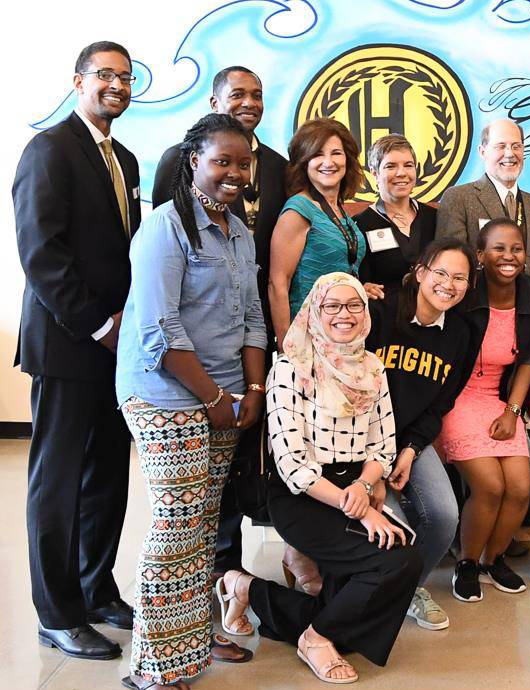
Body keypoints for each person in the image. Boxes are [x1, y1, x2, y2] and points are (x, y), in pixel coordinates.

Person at [116, 113, 267, 689]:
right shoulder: (164, 228)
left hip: (227, 393)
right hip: (165, 392)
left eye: (243, 162)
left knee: (204, 526)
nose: (234, 172)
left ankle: (192, 642)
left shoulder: (240, 231)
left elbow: (253, 318)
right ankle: (153, 669)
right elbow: (160, 329)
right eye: (222, 160)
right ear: (193, 163)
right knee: (175, 526)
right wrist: (212, 399)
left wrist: (250, 390)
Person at [219, 272, 421, 683]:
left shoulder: (372, 367)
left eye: (354, 306)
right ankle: (315, 637)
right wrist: (359, 510)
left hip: (356, 485)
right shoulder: (292, 368)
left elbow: (383, 445)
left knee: (350, 619)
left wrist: (365, 485)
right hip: (304, 496)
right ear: (314, 309)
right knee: (395, 560)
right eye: (332, 306)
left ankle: (246, 590)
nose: (344, 315)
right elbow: (293, 465)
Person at [14, 41, 139, 661]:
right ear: (78, 80)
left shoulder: (127, 159)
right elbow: (42, 255)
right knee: (58, 484)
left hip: (119, 349)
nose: (116, 85)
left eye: (126, 76)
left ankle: (95, 589)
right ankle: (56, 612)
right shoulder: (49, 149)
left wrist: (129, 328)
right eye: (104, 75)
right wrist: (97, 325)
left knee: (108, 477)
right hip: (68, 346)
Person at [152, 64, 288, 582]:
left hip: (249, 331)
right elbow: (165, 252)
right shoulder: (176, 163)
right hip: (189, 338)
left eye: (257, 94)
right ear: (214, 102)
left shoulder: (273, 165)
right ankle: (200, 577)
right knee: (185, 499)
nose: (249, 102)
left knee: (233, 460)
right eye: (237, 94)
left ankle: (227, 568)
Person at [437, 219, 530, 603]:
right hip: (454, 398)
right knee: (490, 486)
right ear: (480, 256)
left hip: (499, 401)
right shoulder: (464, 292)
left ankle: (492, 560)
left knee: (521, 488)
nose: (509, 256)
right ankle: (467, 563)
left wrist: (513, 411)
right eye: (498, 249)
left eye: (516, 249)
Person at [369, 238, 476, 628]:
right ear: (420, 273)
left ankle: (408, 588)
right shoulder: (380, 313)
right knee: (389, 525)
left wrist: (412, 449)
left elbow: (439, 404)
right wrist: (377, 460)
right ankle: (366, 590)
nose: (448, 284)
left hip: (410, 438)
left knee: (444, 517)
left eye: (459, 278)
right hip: (361, 442)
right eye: (440, 273)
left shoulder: (461, 333)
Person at [268, 117, 371, 348]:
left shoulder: (339, 209)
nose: (328, 162)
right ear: (304, 162)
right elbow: (278, 284)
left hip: (341, 332)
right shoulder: (299, 209)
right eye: (317, 154)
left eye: (336, 153)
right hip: (307, 336)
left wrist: (358, 288)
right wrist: (288, 347)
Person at [436, 118, 530, 277]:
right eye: (501, 146)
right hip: (481, 300)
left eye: (516, 146)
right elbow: (452, 262)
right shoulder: (458, 198)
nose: (510, 154)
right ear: (482, 151)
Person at [354, 134, 438, 294]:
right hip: (385, 314)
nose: (401, 173)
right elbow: (356, 280)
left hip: (434, 314)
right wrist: (361, 287)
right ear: (374, 173)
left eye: (408, 165)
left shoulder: (435, 217)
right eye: (390, 166)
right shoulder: (360, 225)